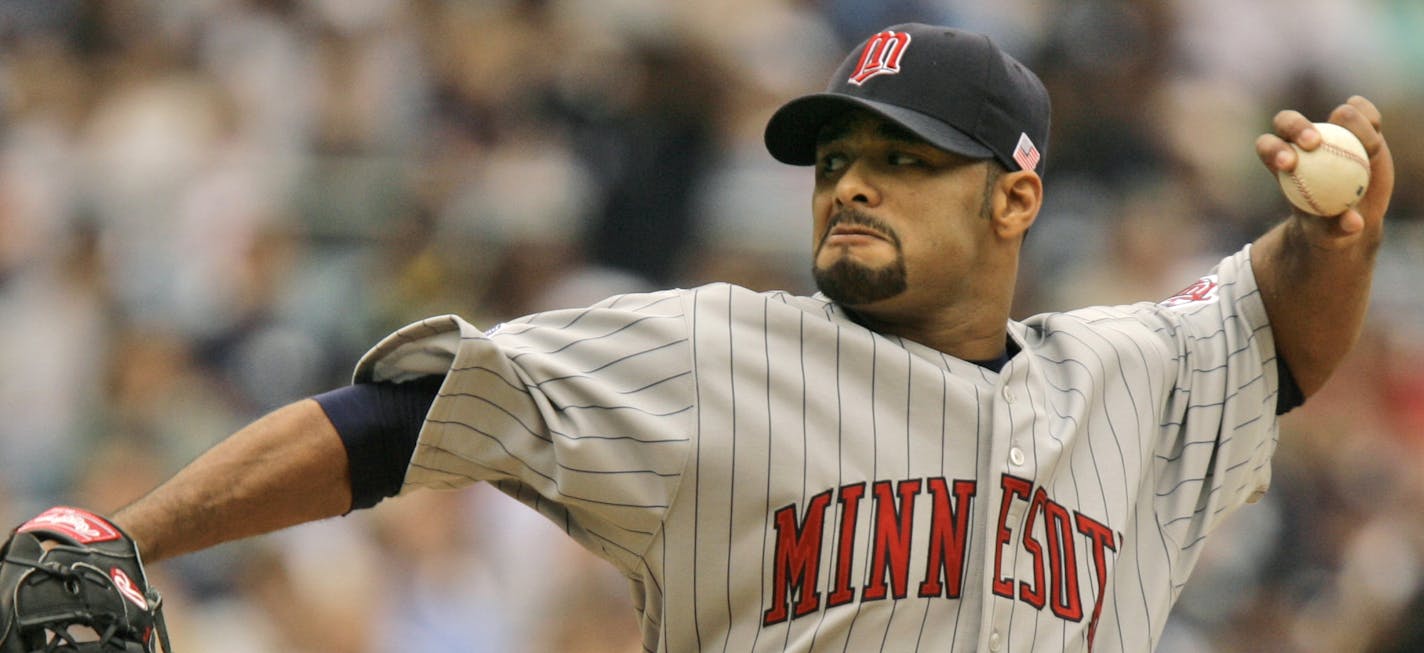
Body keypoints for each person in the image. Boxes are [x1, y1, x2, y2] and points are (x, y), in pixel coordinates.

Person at [0, 23, 1393, 652]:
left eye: (902, 161)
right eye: (833, 154)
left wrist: (1337, 234)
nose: (849, 180)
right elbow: (407, 422)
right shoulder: (708, 347)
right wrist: (126, 534)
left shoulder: (1127, 378)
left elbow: (1283, 329)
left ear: (1015, 193)